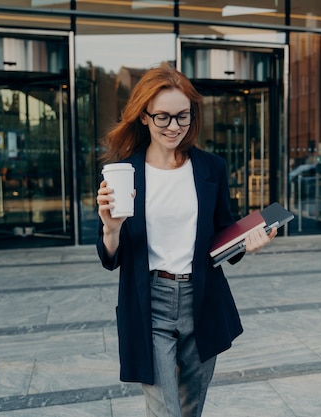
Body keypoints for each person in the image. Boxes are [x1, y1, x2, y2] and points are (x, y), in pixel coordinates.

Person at [95, 63, 276, 417]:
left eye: (183, 116)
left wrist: (247, 243)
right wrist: (110, 228)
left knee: (190, 410)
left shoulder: (211, 168)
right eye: (163, 117)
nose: (174, 126)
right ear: (144, 117)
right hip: (150, 302)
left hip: (202, 298)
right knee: (165, 411)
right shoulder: (123, 173)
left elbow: (223, 230)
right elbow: (109, 257)